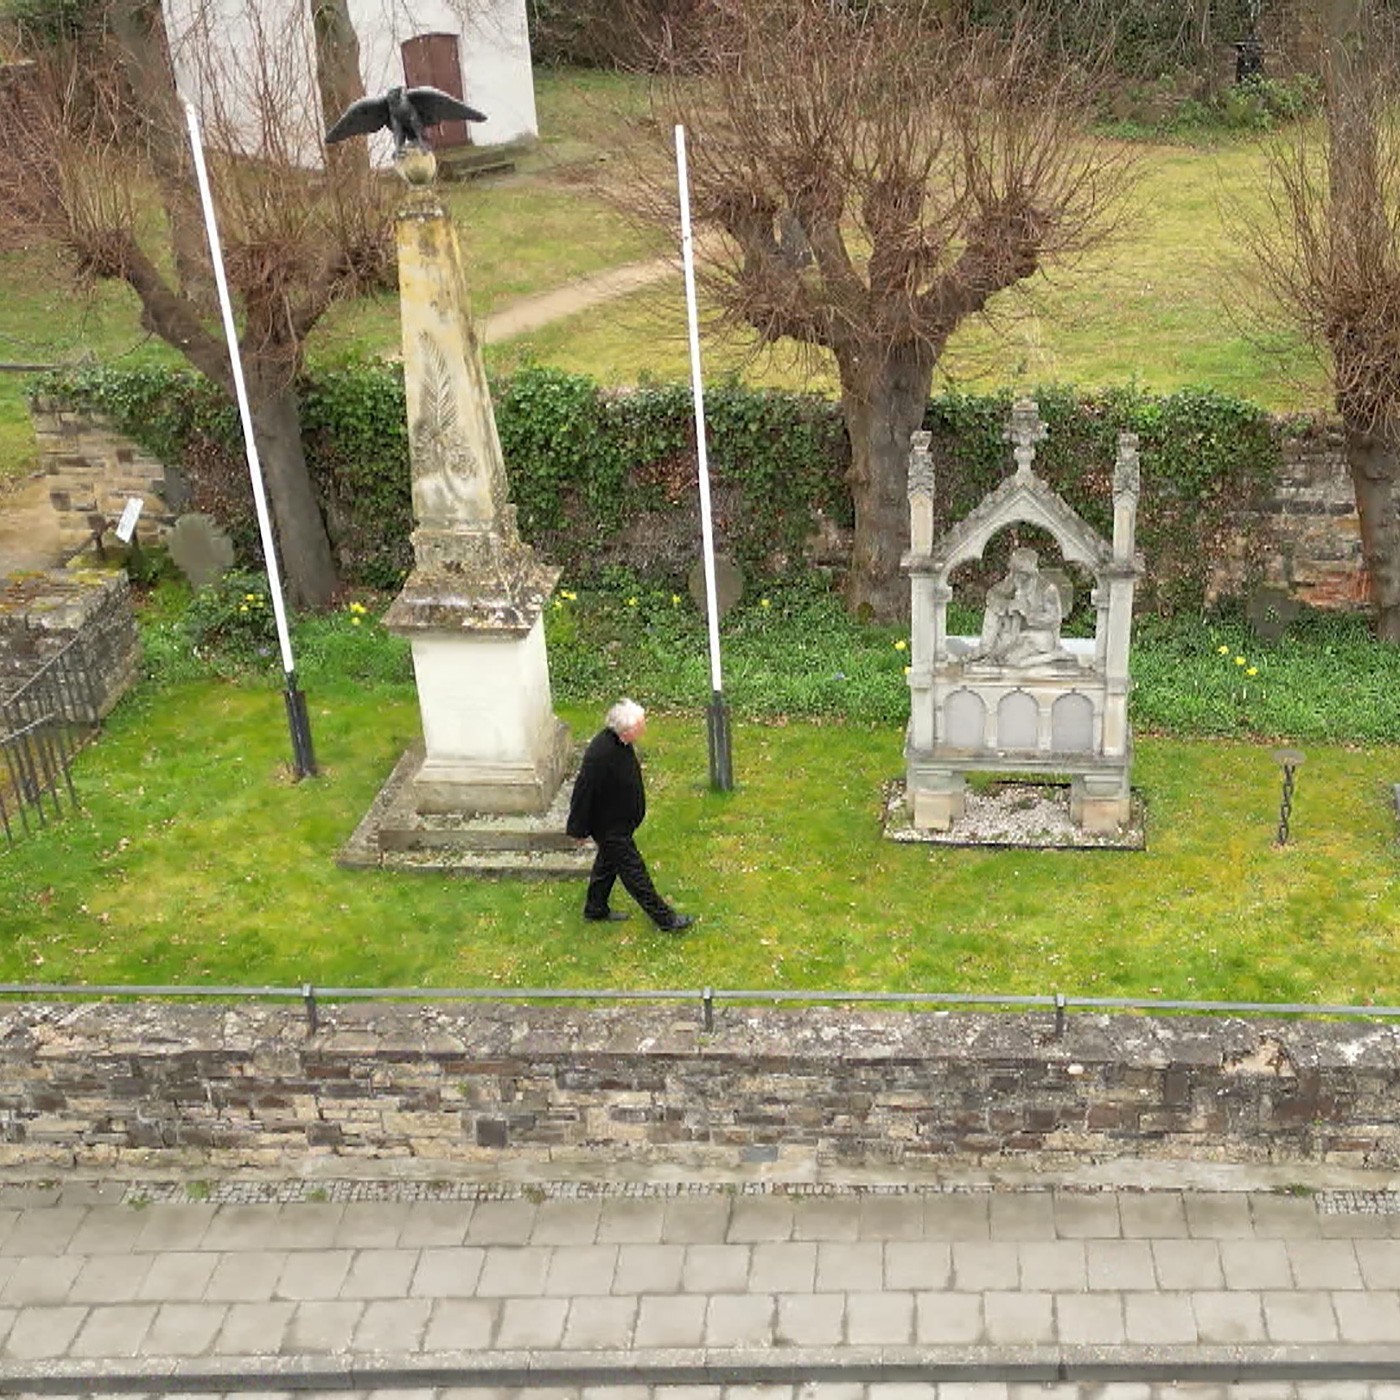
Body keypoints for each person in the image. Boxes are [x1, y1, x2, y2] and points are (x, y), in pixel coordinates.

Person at [566, 699, 695, 932]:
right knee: (634, 872)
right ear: (626, 729)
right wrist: (577, 830)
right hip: (609, 826)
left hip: (620, 823)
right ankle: (666, 920)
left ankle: (595, 909)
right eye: (640, 725)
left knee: (607, 864)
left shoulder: (620, 743)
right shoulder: (600, 753)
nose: (644, 729)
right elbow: (583, 791)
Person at [969, 547, 1069, 667]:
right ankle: (985, 648)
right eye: (1014, 572)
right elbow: (992, 596)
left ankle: (1053, 655)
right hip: (1015, 634)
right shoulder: (1013, 581)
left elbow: (1054, 619)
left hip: (1038, 637)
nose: (1015, 576)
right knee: (993, 612)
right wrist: (1008, 605)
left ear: (1031, 574)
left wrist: (1028, 613)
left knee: (1010, 660)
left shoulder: (1047, 589)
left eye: (1021, 574)